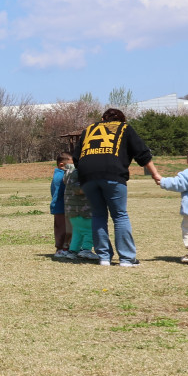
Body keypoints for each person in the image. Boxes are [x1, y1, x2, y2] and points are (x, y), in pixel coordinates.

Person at [73, 108, 162, 267]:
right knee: (120, 215)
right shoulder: (124, 128)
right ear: (122, 120)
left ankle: (104, 258)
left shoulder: (89, 129)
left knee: (98, 215)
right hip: (113, 173)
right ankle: (127, 259)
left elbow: (76, 157)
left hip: (87, 175)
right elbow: (142, 153)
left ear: (102, 119)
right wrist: (155, 174)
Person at [64, 158, 97, 260]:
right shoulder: (78, 173)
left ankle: (73, 251)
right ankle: (86, 250)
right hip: (82, 210)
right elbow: (78, 189)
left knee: (78, 232)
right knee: (90, 231)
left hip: (72, 210)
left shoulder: (70, 173)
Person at [51, 153, 73, 259]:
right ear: (61, 165)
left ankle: (66, 248)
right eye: (71, 165)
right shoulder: (61, 176)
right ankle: (60, 249)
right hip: (60, 206)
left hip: (62, 206)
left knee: (66, 229)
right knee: (61, 229)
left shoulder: (60, 174)